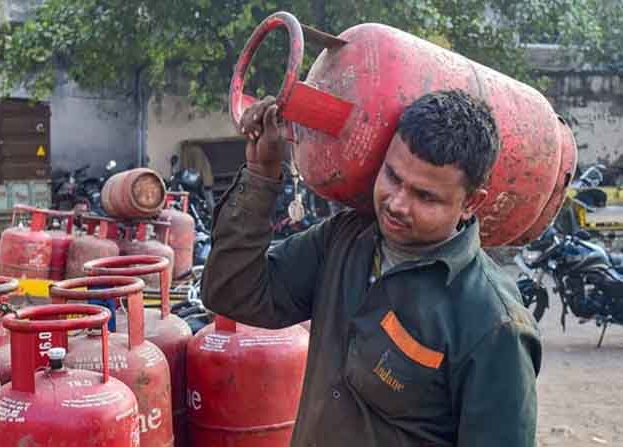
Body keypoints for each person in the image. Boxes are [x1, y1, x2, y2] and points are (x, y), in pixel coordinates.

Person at [201, 90, 542, 447]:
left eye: (424, 196)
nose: (396, 204)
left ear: (471, 202)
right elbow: (232, 293)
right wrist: (261, 176)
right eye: (393, 177)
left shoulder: (493, 325)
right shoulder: (345, 241)